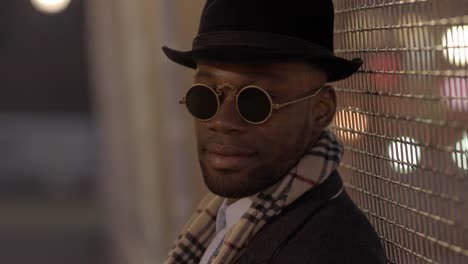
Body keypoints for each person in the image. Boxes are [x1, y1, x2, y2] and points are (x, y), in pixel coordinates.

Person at [162, 0, 386, 263]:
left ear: (320, 109)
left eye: (255, 101)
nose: (222, 121)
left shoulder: (332, 251)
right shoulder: (225, 220)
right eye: (206, 96)